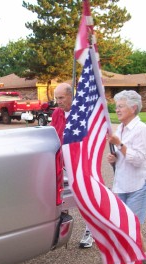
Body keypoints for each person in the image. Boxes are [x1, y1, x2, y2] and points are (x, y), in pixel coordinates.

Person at [103, 90, 146, 264]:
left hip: (140, 184)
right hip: (122, 183)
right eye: (116, 105)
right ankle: (145, 258)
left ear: (133, 108)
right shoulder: (121, 128)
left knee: (127, 228)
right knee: (125, 226)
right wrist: (115, 158)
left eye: (121, 106)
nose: (116, 109)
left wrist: (120, 145)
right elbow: (123, 159)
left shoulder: (141, 129)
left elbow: (137, 160)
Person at [51, 82, 93, 249]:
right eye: (56, 98)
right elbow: (53, 134)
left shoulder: (82, 114)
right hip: (62, 164)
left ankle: (91, 231)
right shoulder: (56, 113)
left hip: (81, 164)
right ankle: (61, 232)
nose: (58, 101)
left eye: (61, 98)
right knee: (62, 200)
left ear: (70, 96)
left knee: (87, 199)